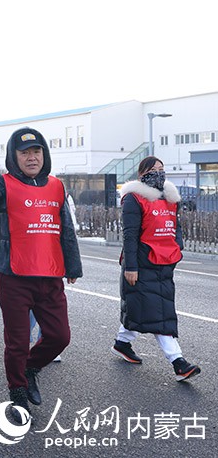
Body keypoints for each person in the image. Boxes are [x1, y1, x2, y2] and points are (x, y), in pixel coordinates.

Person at [0, 126, 82, 423]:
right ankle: (17, 392)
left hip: (50, 274)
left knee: (59, 336)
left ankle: (30, 368)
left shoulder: (56, 186)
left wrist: (72, 266)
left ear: (44, 155)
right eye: (25, 153)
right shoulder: (1, 183)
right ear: (14, 156)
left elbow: (65, 229)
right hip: (14, 275)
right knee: (17, 340)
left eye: (36, 152)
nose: (31, 158)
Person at [110, 156, 201, 381]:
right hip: (141, 264)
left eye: (162, 169)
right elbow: (130, 236)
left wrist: (176, 248)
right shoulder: (134, 199)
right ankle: (178, 363)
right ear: (142, 174)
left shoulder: (170, 199)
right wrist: (131, 267)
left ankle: (122, 343)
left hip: (164, 263)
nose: (159, 173)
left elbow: (175, 226)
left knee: (144, 309)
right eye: (153, 169)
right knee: (158, 312)